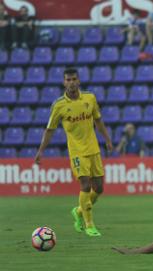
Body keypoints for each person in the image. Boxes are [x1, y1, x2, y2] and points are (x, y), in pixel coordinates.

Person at [34, 68, 113, 237]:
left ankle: (78, 211)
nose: (71, 82)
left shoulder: (90, 98)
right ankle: (89, 223)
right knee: (85, 185)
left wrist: (107, 139)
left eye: (74, 79)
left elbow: (98, 120)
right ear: (64, 82)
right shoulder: (59, 105)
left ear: (79, 81)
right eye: (68, 80)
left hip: (94, 149)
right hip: (77, 152)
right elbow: (49, 130)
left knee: (99, 188)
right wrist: (41, 151)